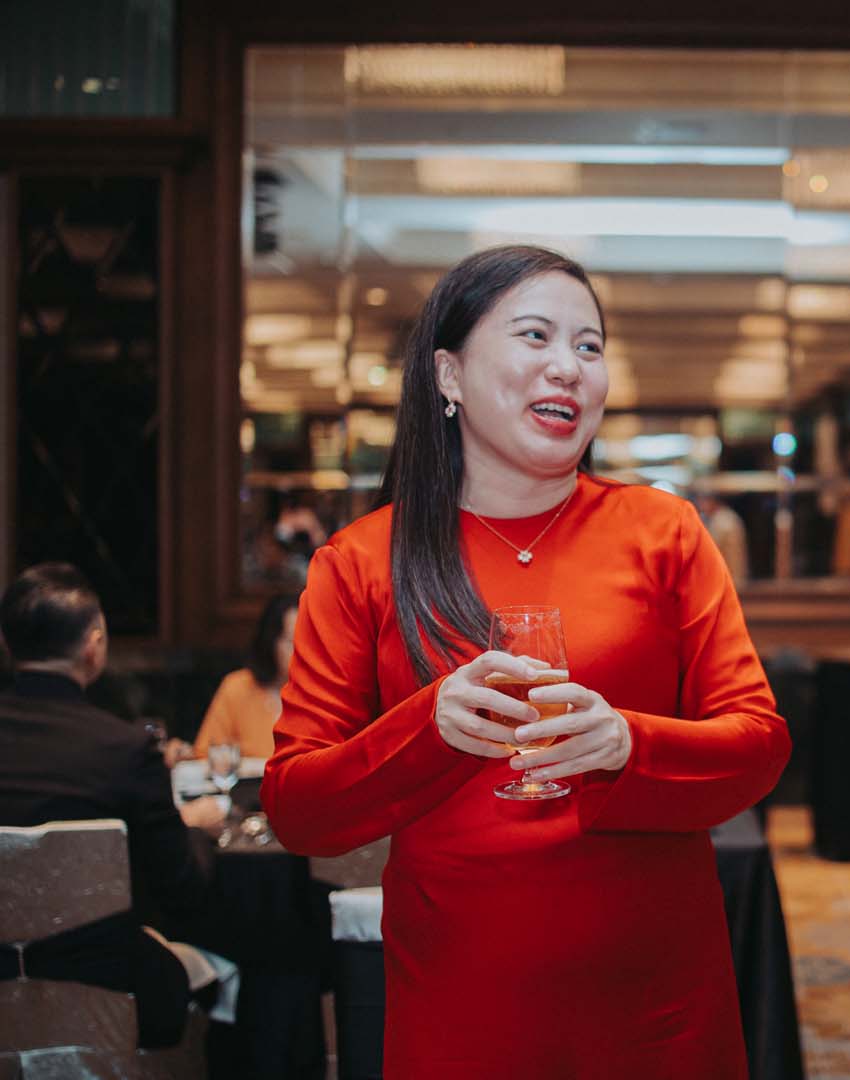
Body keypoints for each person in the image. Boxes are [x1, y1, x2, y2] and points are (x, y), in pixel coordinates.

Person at [260, 245, 790, 1077]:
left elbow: (759, 747)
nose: (568, 367)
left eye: (589, 345)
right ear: (449, 374)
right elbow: (298, 812)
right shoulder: (362, 562)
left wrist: (627, 743)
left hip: (656, 1002)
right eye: (536, 336)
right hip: (463, 1005)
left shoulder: (664, 533)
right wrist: (428, 728)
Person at [0, 562, 226, 1048]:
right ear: (94, 645)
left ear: (6, 643)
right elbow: (182, 889)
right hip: (106, 984)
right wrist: (192, 827)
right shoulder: (123, 750)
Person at [191, 593, 298, 761]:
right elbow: (205, 754)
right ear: (270, 641)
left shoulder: (326, 693)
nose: (302, 651)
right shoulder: (237, 687)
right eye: (292, 641)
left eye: (309, 641)